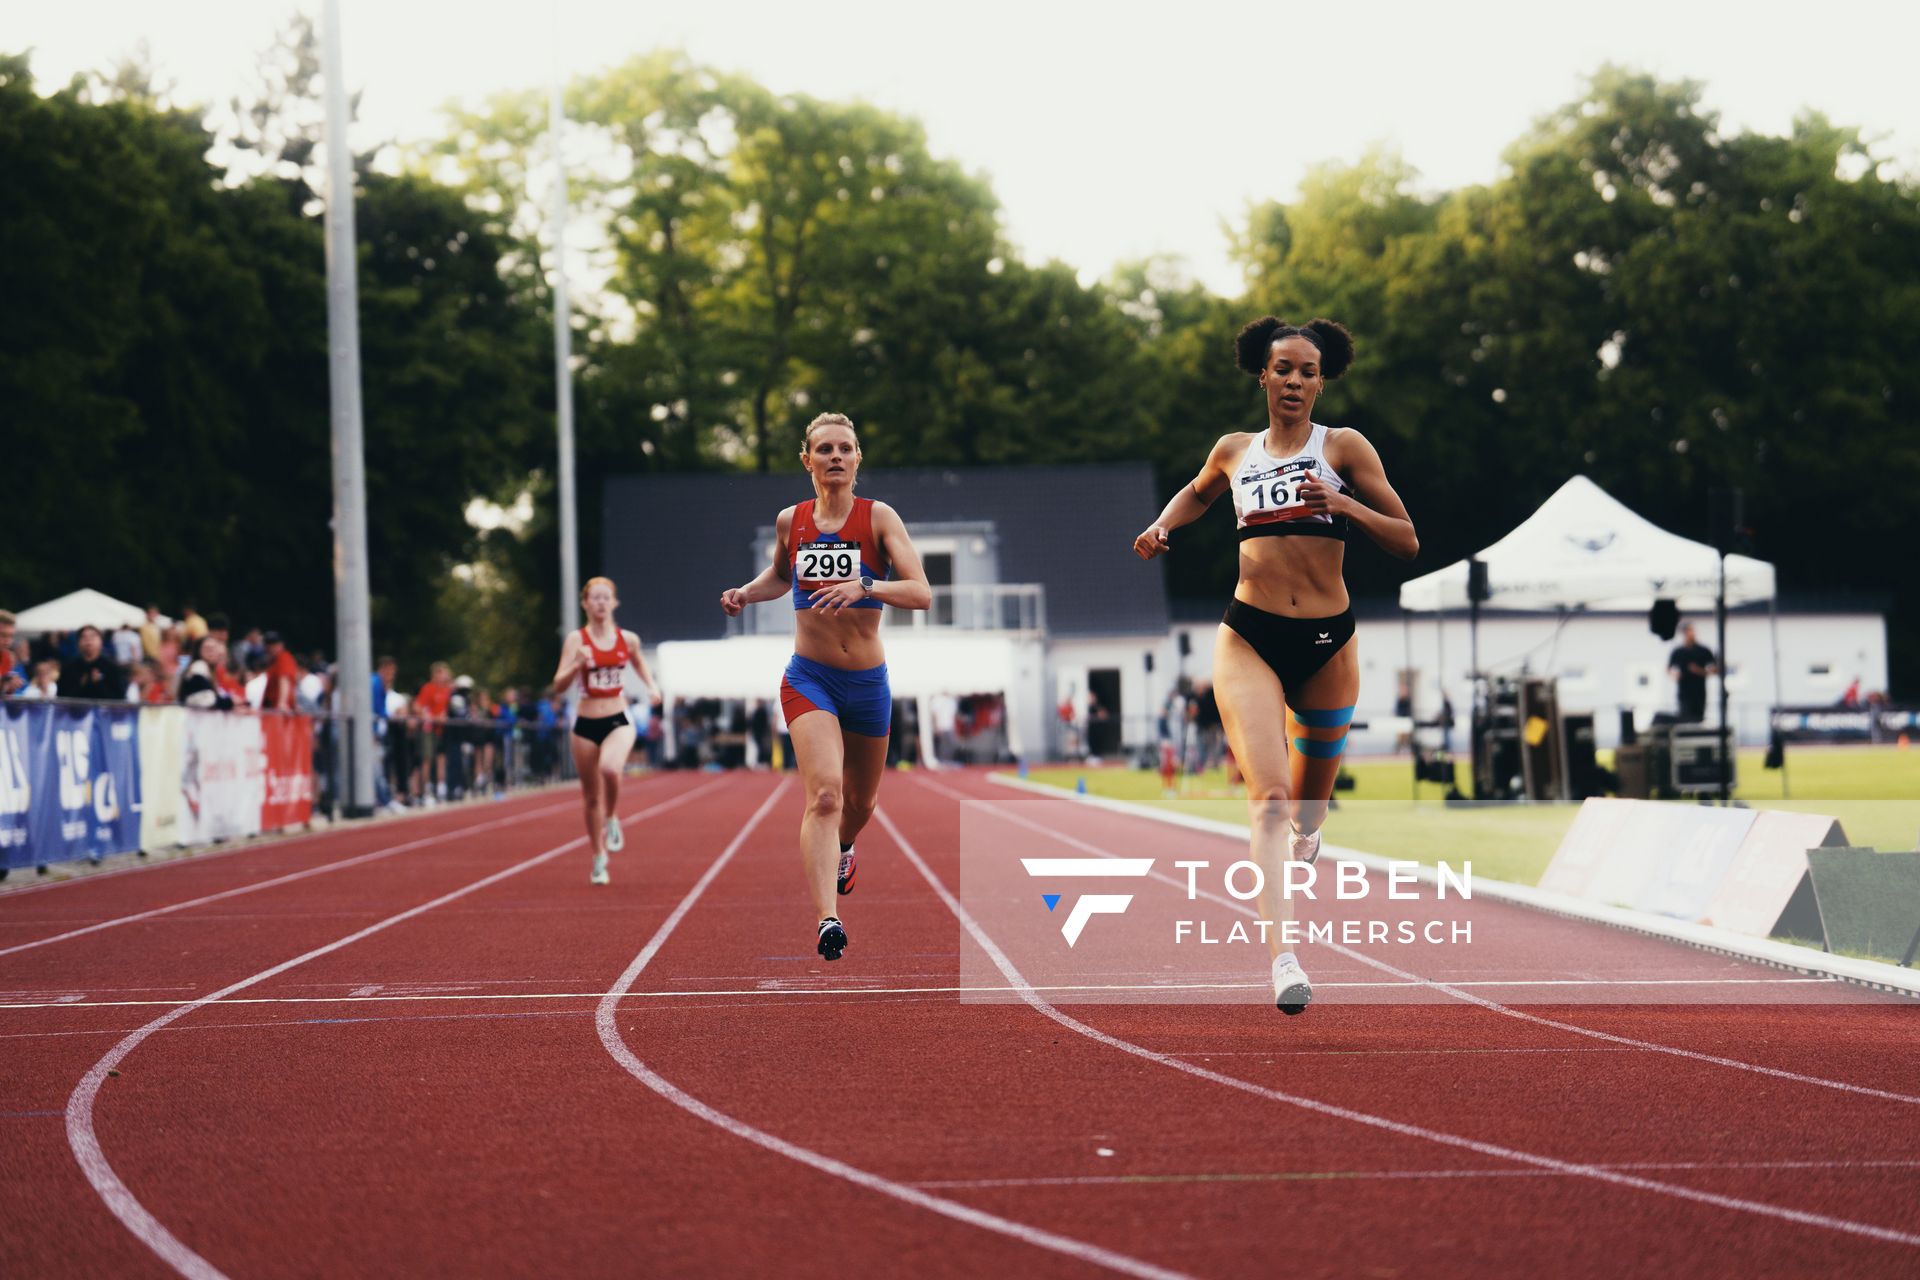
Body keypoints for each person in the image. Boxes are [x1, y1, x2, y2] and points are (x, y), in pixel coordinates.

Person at [1134, 316, 1417, 1014]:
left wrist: (1343, 503)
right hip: (1250, 634)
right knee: (1268, 798)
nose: (1294, 381)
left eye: (1307, 371)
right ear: (1261, 375)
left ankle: (1310, 832)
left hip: (1328, 642)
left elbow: (1407, 540)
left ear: (1323, 381)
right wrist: (1164, 526)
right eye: (1282, 369)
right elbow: (1199, 492)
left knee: (1307, 806)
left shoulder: (1344, 447)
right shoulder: (1235, 449)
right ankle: (1283, 958)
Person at [719, 412, 932, 961]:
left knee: (861, 803)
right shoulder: (791, 521)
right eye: (825, 449)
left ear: (858, 458)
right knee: (826, 795)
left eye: (845, 448)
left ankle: (844, 846)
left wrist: (865, 584)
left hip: (867, 682)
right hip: (809, 677)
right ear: (807, 459)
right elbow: (781, 576)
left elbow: (920, 592)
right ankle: (827, 920)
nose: (835, 457)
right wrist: (745, 593)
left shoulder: (879, 518)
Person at [549, 577, 662, 885]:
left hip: (617, 718)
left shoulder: (628, 639)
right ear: (585, 604)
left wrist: (652, 687)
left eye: (605, 598)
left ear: (614, 603)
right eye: (594, 598)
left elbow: (639, 663)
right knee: (589, 796)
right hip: (585, 723)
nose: (600, 603)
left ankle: (612, 817)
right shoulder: (576, 640)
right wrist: (576, 664)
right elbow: (558, 685)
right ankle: (599, 857)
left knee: (610, 769)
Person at [58, 625, 130, 701]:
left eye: (93, 637)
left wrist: (99, 684)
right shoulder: (68, 668)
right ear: (78, 643)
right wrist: (81, 684)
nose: (88, 640)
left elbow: (119, 699)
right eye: (84, 637)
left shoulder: (112, 668)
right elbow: (61, 698)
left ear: (101, 641)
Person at [1667, 622, 1717, 724]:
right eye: (1689, 631)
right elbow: (1668, 669)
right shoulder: (1678, 651)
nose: (1692, 633)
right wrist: (1674, 675)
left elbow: (1714, 670)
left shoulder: (1703, 650)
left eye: (1693, 631)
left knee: (1698, 718)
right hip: (1684, 692)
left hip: (1699, 693)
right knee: (1684, 718)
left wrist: (1699, 671)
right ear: (1684, 633)